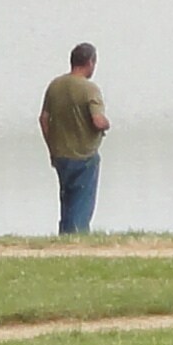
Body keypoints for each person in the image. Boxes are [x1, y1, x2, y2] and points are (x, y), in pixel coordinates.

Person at [40, 42, 110, 235]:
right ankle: (77, 238)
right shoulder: (90, 89)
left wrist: (52, 149)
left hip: (61, 155)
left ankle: (64, 238)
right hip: (84, 156)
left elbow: (44, 119)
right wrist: (106, 124)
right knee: (82, 203)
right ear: (90, 62)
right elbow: (98, 121)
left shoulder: (55, 86)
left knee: (67, 201)